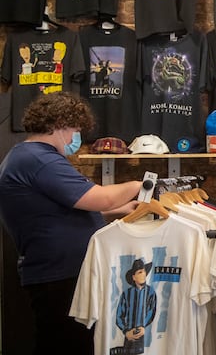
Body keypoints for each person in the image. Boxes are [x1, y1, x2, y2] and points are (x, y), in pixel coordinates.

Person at [0, 92, 143, 355]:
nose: (73, 138)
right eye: (74, 130)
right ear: (58, 124)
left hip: (60, 273)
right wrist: (139, 184)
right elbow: (99, 198)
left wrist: (120, 211)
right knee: (65, 344)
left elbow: (68, 210)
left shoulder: (32, 157)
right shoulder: (38, 159)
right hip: (58, 275)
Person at [116, 258, 157, 354]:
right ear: (133, 277)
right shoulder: (126, 294)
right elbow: (119, 316)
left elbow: (151, 311)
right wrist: (126, 332)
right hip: (129, 338)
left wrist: (143, 326)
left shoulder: (151, 292)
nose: (143, 274)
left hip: (145, 337)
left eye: (144, 271)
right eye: (139, 272)